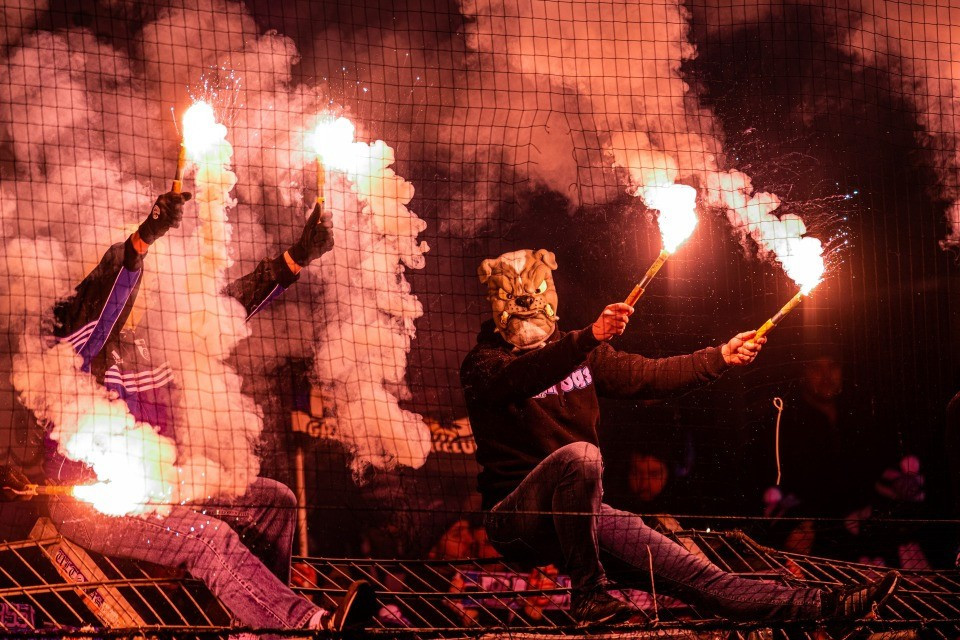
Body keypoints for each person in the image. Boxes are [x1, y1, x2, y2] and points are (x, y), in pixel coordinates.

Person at [460, 248, 900, 626]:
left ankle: (826, 606)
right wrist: (587, 337)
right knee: (581, 456)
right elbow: (525, 377)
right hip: (516, 521)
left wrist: (720, 357)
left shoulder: (581, 354)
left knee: (701, 576)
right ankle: (589, 593)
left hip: (583, 516)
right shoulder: (485, 365)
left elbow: (650, 375)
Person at [16, 192, 374, 632]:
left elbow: (232, 305)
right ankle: (306, 626)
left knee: (275, 502)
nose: (142, 288)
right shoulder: (78, 340)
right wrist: (140, 242)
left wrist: (295, 258)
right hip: (88, 505)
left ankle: (260, 627)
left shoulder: (159, 338)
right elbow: (104, 297)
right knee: (210, 538)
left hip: (162, 487)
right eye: (136, 279)